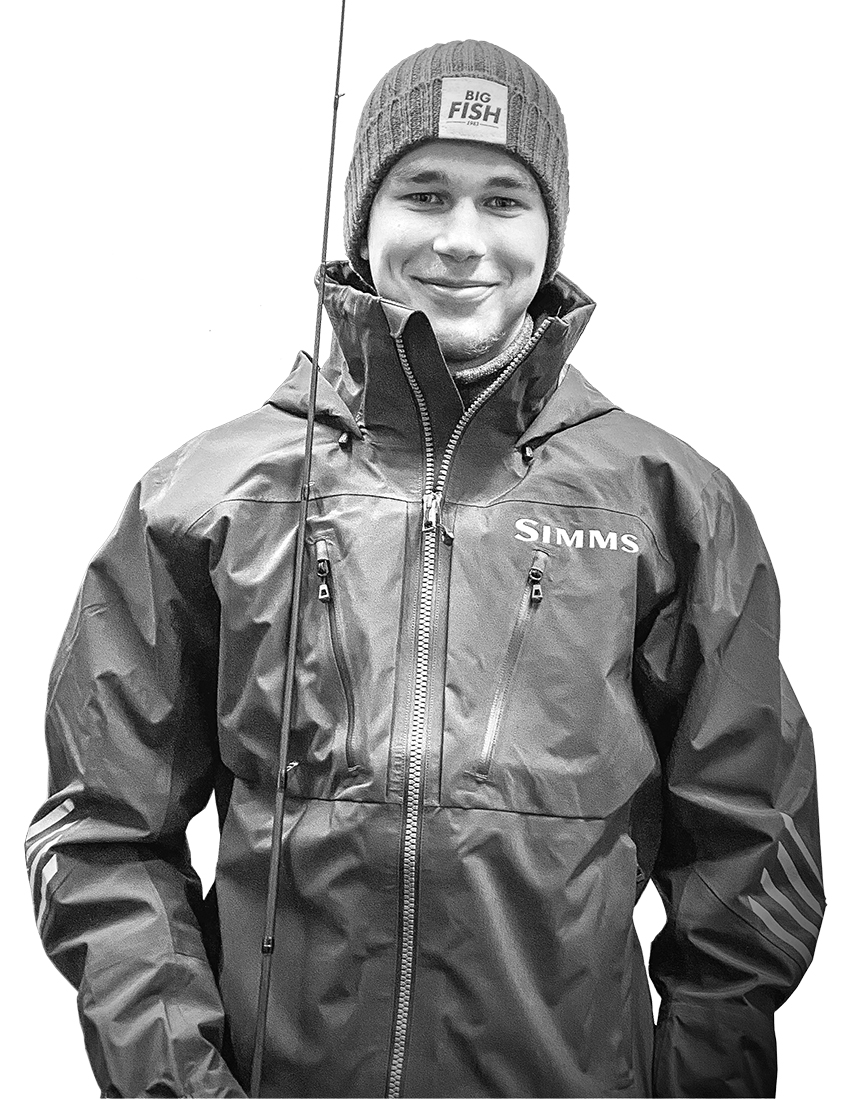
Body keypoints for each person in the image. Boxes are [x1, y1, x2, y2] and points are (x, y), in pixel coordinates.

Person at [25, 39, 824, 1099]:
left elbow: (752, 852)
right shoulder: (210, 498)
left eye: (504, 200)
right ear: (364, 220)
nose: (461, 239)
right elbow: (102, 833)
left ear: (550, 233)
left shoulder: (667, 504)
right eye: (425, 192)